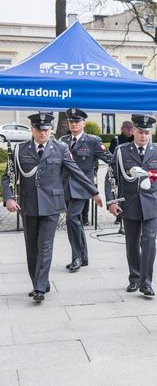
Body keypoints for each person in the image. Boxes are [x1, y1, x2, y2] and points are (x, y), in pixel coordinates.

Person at [2, 113, 102, 302]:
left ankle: (39, 288)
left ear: (51, 130)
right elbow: (8, 176)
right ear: (32, 130)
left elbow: (76, 172)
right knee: (32, 247)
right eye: (39, 130)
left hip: (52, 205)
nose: (43, 133)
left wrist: (94, 192)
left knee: (45, 245)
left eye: (46, 130)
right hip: (29, 204)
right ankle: (40, 282)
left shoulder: (60, 148)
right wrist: (8, 198)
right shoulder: (20, 149)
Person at [105, 115, 157, 297]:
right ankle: (134, 278)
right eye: (140, 132)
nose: (143, 136)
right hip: (130, 203)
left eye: (147, 133)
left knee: (149, 241)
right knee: (132, 243)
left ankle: (146, 283)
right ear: (133, 131)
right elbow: (111, 176)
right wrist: (111, 201)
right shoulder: (121, 151)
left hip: (152, 203)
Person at [60, 108, 112, 272]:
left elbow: (110, 159)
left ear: (83, 123)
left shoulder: (93, 141)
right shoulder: (63, 140)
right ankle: (83, 257)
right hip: (65, 187)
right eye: (71, 121)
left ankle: (76, 257)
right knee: (76, 221)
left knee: (72, 219)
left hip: (82, 187)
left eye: (77, 121)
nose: (74, 124)